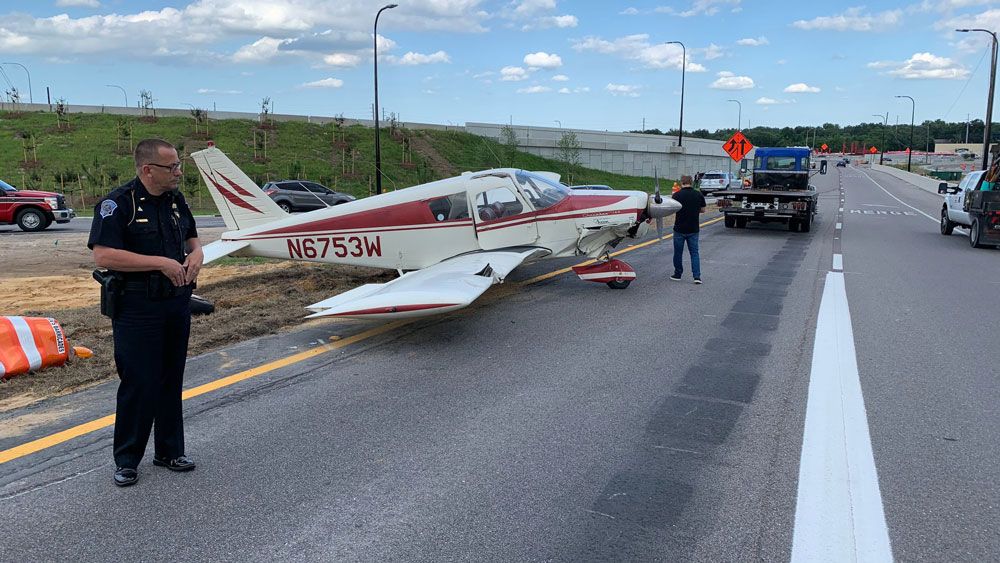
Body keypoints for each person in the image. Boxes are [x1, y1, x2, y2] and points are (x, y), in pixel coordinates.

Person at [88, 138, 203, 487]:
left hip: (175, 302)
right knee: (140, 382)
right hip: (138, 307)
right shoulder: (117, 204)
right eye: (173, 167)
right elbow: (104, 255)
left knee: (171, 378)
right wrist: (160, 263)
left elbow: (192, 238)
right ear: (147, 170)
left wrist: (196, 254)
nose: (179, 172)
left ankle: (169, 450)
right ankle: (127, 459)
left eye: (179, 165)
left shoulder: (175, 201)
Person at [669, 174, 706, 284]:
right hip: (693, 228)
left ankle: (677, 274)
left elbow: (672, 210)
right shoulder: (698, 194)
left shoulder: (677, 195)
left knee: (678, 252)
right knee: (694, 253)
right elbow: (703, 210)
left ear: (682, 183)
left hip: (679, 228)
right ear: (691, 182)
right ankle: (697, 276)